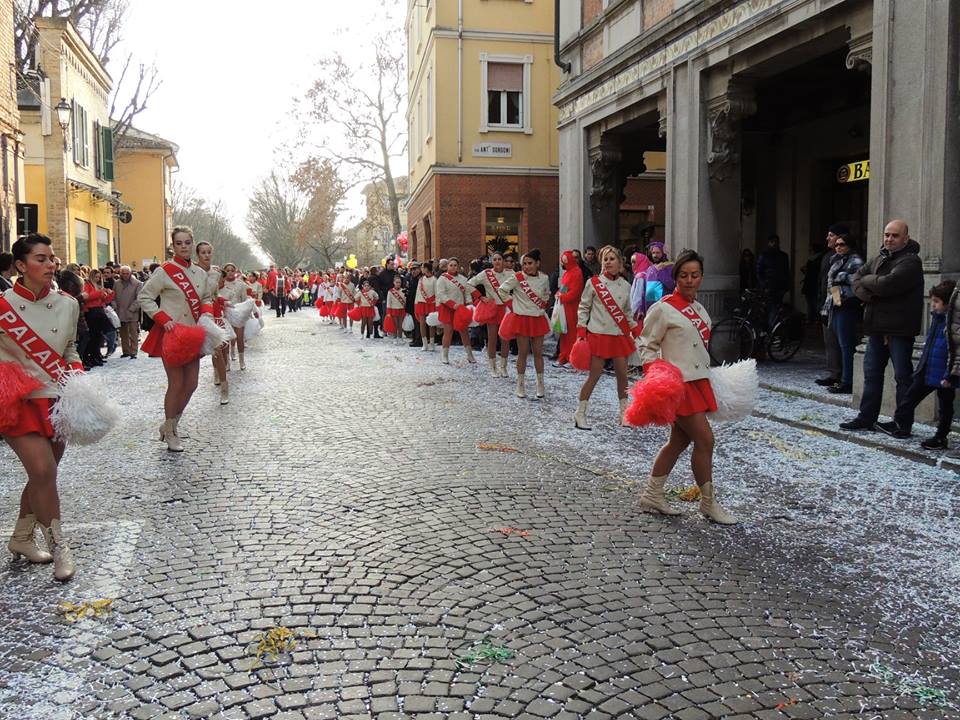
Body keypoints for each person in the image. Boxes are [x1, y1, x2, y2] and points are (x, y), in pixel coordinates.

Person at [1, 234, 82, 580]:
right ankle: (60, 547)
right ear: (20, 265)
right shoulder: (2, 304)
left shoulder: (68, 304)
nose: (50, 265)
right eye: (41, 259)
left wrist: (77, 377)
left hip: (57, 399)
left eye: (52, 259)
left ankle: (21, 537)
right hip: (18, 401)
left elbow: (70, 350)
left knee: (41, 476)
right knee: (45, 472)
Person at [636, 249, 737, 525]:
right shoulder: (664, 308)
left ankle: (652, 494)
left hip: (697, 382)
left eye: (694, 275)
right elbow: (646, 344)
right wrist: (656, 376)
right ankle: (708, 503)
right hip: (677, 385)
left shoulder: (700, 309)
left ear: (701, 277)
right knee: (706, 440)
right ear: (675, 277)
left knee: (678, 441)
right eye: (684, 275)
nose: (689, 280)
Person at [840, 220, 923, 431]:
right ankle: (866, 418)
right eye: (887, 234)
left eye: (895, 235)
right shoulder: (878, 258)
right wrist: (872, 290)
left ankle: (902, 423)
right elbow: (856, 279)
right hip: (876, 327)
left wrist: (870, 283)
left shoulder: (911, 262)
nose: (889, 239)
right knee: (872, 374)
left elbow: (887, 285)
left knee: (903, 376)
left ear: (906, 238)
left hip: (899, 328)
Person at [138, 226, 215, 451]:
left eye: (187, 242)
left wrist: (207, 313)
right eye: (179, 243)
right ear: (173, 245)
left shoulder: (200, 273)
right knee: (176, 383)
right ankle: (171, 432)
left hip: (193, 333)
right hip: (172, 333)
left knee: (191, 384)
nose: (183, 246)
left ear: (192, 244)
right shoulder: (164, 271)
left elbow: (206, 296)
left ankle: (170, 424)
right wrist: (162, 318)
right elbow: (145, 296)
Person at [875, 281, 956, 448]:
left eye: (936, 302)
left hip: (944, 372)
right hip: (928, 369)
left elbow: (955, 351)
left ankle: (941, 436)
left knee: (945, 408)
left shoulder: (952, 323)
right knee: (909, 399)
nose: (933, 305)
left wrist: (950, 375)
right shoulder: (937, 319)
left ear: (948, 304)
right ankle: (900, 424)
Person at [573, 246, 641, 429]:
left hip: (619, 336)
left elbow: (627, 313)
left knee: (622, 376)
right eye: (605, 259)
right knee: (594, 375)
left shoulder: (626, 286)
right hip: (599, 335)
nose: (608, 262)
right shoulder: (594, 283)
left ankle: (624, 414)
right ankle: (580, 413)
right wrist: (581, 331)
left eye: (612, 259)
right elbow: (583, 308)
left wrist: (636, 330)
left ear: (620, 263)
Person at [497, 249, 551, 399]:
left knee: (538, 354)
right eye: (524, 264)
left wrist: (544, 303)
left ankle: (540, 384)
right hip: (522, 319)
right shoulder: (517, 277)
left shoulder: (544, 278)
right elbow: (502, 290)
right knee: (523, 353)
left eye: (530, 263)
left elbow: (547, 293)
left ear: (537, 263)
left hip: (538, 318)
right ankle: (520, 384)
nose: (527, 266)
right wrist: (512, 305)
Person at [822, 237, 863, 394]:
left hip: (847, 304)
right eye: (837, 245)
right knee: (841, 343)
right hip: (836, 303)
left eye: (842, 244)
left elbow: (858, 280)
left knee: (847, 345)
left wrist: (843, 277)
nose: (838, 247)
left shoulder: (855, 260)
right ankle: (842, 378)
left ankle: (848, 381)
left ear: (850, 246)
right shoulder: (836, 260)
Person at [196, 242, 229, 405]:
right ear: (198, 254)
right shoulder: (192, 272)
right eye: (203, 252)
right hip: (196, 312)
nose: (206, 255)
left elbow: (215, 294)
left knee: (218, 350)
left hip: (212, 311)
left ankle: (224, 387)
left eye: (209, 252)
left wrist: (223, 303)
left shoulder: (216, 273)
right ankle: (214, 372)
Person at [469, 252, 510, 377]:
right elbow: (469, 283)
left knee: (505, 339)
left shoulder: (511, 273)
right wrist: (480, 297)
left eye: (499, 259)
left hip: (506, 309)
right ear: (492, 261)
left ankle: (503, 367)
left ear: (503, 261)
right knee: (492, 339)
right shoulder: (486, 274)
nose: (497, 261)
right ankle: (492, 368)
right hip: (492, 308)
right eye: (495, 259)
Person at [816, 224, 846, 386]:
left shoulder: (846, 258)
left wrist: (836, 302)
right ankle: (834, 372)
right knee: (830, 340)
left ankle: (843, 376)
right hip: (826, 303)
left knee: (841, 341)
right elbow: (824, 282)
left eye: (831, 235)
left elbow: (837, 284)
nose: (828, 238)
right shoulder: (828, 256)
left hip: (837, 305)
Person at [435, 257, 477, 365]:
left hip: (460, 309)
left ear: (458, 267)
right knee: (448, 332)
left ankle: (470, 355)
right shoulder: (442, 279)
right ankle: (445, 355)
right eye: (451, 265)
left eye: (455, 265)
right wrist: (453, 305)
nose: (453, 267)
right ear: (447, 266)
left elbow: (467, 293)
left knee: (464, 332)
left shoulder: (463, 279)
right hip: (447, 308)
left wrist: (469, 305)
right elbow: (441, 295)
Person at [553, 250, 585, 368]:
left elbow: (576, 292)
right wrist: (559, 294)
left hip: (571, 307)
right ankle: (563, 356)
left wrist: (562, 296)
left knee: (571, 333)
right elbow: (563, 288)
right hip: (564, 306)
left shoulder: (577, 272)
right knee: (563, 333)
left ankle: (572, 359)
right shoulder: (567, 273)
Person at [80, 268, 115, 368]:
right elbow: (87, 297)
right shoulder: (87, 285)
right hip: (92, 312)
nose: (98, 279)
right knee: (93, 335)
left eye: (99, 277)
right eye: (96, 277)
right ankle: (90, 356)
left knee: (99, 336)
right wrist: (100, 292)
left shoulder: (99, 286)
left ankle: (96, 355)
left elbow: (104, 300)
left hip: (99, 310)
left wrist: (110, 294)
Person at [756, 234, 790, 327]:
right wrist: (763, 285)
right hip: (768, 287)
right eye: (772, 242)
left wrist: (786, 287)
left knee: (775, 309)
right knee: (770, 309)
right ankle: (770, 329)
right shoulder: (764, 255)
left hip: (779, 287)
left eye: (776, 242)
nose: (774, 244)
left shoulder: (783, 256)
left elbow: (786, 272)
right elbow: (759, 272)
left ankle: (772, 329)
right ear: (769, 243)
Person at [113, 265, 142, 359]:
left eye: (127, 273)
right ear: (120, 274)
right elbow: (113, 296)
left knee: (133, 332)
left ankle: (134, 351)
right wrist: (114, 306)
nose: (125, 275)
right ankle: (126, 351)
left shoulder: (137, 283)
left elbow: (139, 298)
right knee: (123, 333)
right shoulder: (117, 283)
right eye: (123, 273)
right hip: (120, 310)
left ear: (130, 274)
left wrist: (132, 308)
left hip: (132, 311)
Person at [405, 262, 423, 347]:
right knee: (414, 322)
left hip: (417, 303)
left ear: (419, 269)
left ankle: (419, 339)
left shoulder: (421, 278)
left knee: (418, 322)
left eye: (415, 269)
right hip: (411, 303)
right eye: (412, 269)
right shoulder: (412, 278)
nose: (413, 271)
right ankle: (415, 337)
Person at [385, 274, 407, 344]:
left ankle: (400, 338)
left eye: (399, 282)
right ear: (393, 283)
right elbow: (388, 302)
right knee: (395, 325)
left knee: (400, 325)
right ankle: (395, 338)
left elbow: (405, 300)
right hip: (393, 309)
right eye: (396, 282)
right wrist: (388, 312)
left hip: (401, 309)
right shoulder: (390, 291)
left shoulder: (404, 290)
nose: (398, 284)